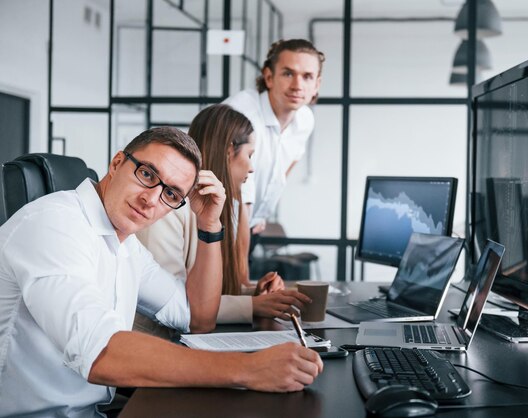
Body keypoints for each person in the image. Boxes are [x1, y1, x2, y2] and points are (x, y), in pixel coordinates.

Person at [0, 127, 323, 417]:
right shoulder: (55, 224)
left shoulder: (124, 242)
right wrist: (249, 368)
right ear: (116, 164)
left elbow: (197, 317)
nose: (150, 199)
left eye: (170, 194)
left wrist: (209, 225)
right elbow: (101, 352)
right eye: (146, 174)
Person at [136, 105, 311, 326]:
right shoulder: (169, 209)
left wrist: (254, 294)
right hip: (159, 342)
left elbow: (207, 292)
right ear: (229, 151)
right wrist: (253, 306)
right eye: (250, 155)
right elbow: (174, 302)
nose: (252, 168)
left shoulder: (226, 209)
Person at [224, 38, 325, 254]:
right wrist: (243, 283)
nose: (297, 85)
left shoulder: (305, 119)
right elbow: (241, 196)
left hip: (249, 224)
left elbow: (288, 162)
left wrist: (261, 214)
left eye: (307, 76)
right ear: (269, 77)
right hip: (213, 225)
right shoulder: (243, 114)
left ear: (316, 84)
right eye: (288, 73)